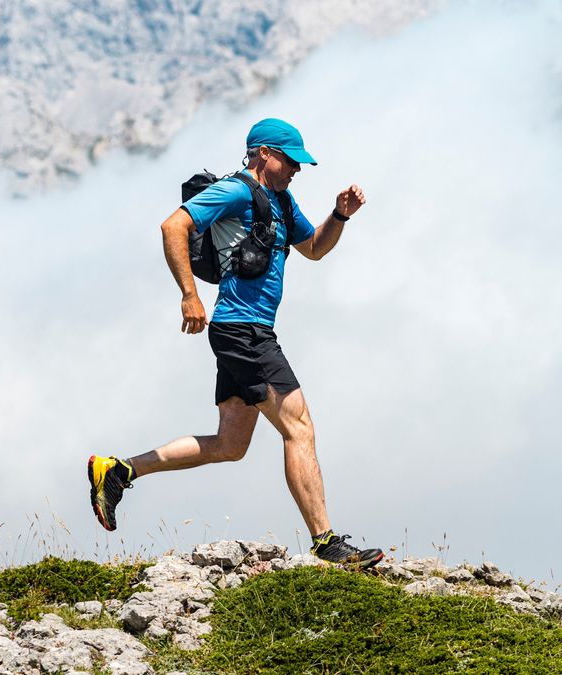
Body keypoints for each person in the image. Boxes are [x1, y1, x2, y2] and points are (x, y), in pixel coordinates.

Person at [87, 118, 383, 567]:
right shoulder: (237, 191)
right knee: (299, 428)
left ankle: (119, 470)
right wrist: (189, 294)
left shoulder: (282, 202)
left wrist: (339, 214)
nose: (296, 170)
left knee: (230, 445)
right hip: (243, 330)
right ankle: (327, 544)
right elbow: (173, 227)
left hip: (246, 330)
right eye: (290, 160)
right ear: (263, 153)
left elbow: (316, 248)